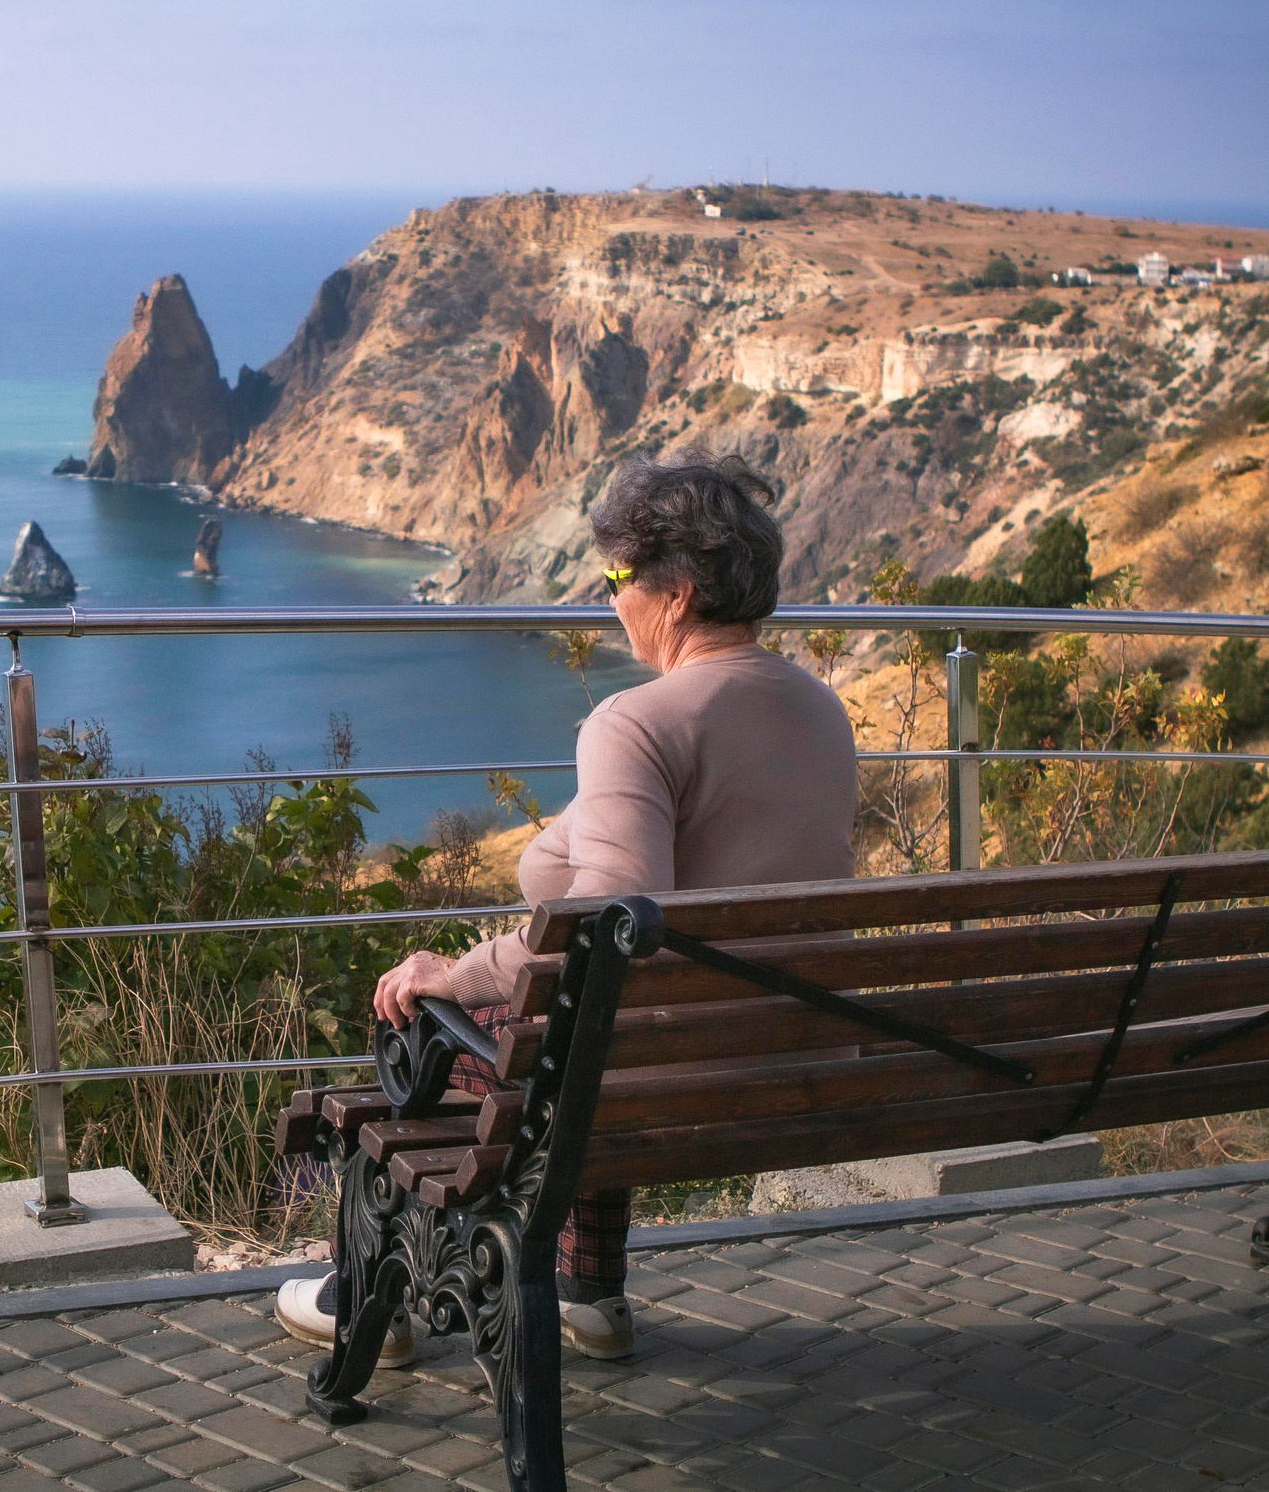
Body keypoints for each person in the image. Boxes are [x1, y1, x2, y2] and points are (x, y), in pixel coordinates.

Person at [277, 449, 859, 1365]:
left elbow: (603, 924)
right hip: (798, 1057)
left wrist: (458, 973)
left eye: (618, 576)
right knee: (582, 1030)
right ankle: (590, 1296)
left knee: (431, 1028)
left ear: (676, 593)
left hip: (653, 1074)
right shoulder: (823, 709)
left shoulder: (639, 722)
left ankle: (368, 1303)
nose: (608, 595)